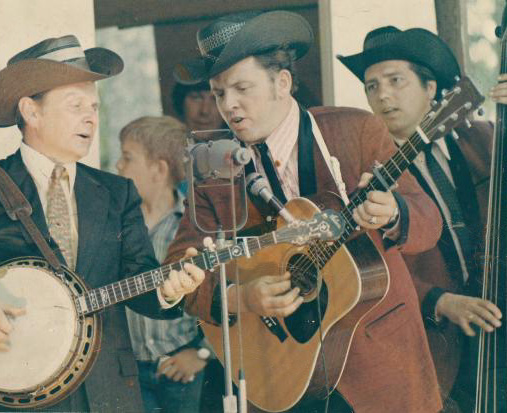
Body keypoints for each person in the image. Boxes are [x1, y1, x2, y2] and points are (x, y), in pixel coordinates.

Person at [166, 11, 444, 413]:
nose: (229, 105)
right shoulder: (214, 167)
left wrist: (394, 211)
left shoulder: (355, 131)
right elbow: (181, 265)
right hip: (283, 375)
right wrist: (241, 298)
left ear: (282, 83)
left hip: (377, 366)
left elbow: (428, 220)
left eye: (242, 88)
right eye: (218, 93)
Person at [0, 35, 205, 412]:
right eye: (75, 105)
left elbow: (141, 278)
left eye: (95, 107)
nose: (91, 117)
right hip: (13, 397)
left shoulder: (117, 194)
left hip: (106, 393)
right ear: (31, 112)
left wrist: (170, 290)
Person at [338, 26, 503, 411]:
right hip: (435, 342)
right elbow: (366, 266)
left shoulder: (483, 140)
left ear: (431, 89)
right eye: (371, 86)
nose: (383, 95)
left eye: (396, 81)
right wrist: (440, 301)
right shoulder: (365, 175)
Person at [115, 115, 210, 413]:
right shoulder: (120, 225)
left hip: (178, 369)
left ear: (158, 169)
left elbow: (216, 297)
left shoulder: (190, 227)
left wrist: (201, 353)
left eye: (128, 158)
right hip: (128, 372)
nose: (118, 166)